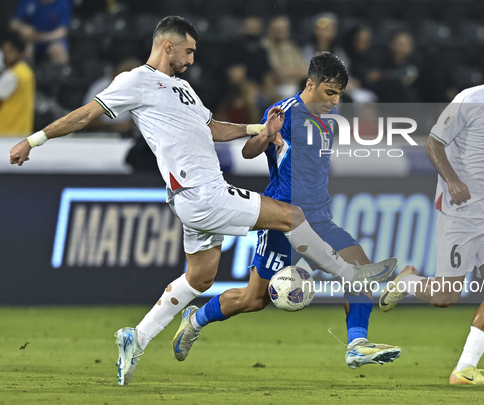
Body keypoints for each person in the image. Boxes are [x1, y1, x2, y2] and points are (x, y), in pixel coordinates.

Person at [9, 16, 397, 386]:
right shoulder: (136, 81)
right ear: (167, 46)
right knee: (291, 215)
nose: (193, 60)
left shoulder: (183, 88)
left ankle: (137, 337)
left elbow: (211, 128)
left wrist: (258, 127)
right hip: (203, 192)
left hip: (198, 196)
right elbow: (86, 114)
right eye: (189, 52)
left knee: (201, 277)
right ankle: (351, 276)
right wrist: (35, 140)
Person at [172, 52, 401, 369]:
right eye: (329, 93)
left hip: (319, 219)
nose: (335, 101)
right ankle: (195, 319)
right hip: (282, 219)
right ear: (310, 84)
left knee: (359, 271)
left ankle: (357, 345)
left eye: (339, 95)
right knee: (254, 300)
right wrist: (266, 133)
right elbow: (250, 151)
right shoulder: (286, 113)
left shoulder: (327, 124)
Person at [380, 40, 484, 385]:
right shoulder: (467, 101)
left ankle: (464, 370)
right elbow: (432, 143)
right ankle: (408, 281)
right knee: (445, 297)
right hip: (461, 213)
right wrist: (451, 180)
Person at [82, 58, 141, 133]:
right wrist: (115, 126)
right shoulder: (100, 88)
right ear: (114, 74)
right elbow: (88, 120)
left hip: (129, 135)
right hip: (99, 135)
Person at [10, 0, 71, 65]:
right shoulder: (27, 1)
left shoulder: (63, 3)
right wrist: (22, 28)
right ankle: (26, 72)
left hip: (51, 39)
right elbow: (13, 24)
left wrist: (42, 37)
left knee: (58, 50)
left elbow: (62, 31)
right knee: (25, 48)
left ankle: (62, 72)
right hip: (30, 39)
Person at [261, 15, 307, 100]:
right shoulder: (264, 47)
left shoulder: (291, 46)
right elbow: (278, 74)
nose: (281, 31)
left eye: (284, 28)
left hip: (295, 87)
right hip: (274, 90)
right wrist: (296, 72)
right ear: (270, 29)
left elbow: (304, 71)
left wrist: (288, 73)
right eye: (277, 28)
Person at [0, 31, 35, 136]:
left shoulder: (12, 75)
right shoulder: (27, 72)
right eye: (5, 51)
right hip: (22, 132)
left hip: (5, 132)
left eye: (10, 51)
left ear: (20, 53)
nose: (6, 56)